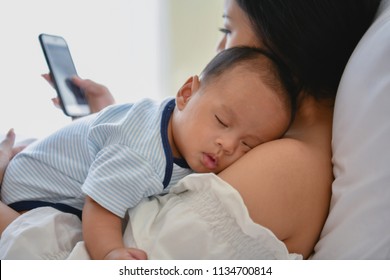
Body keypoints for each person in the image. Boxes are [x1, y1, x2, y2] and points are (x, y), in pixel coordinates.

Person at [0, 0, 380, 260]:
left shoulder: (286, 167)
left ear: (283, 33)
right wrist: (115, 127)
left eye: (228, 29)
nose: (220, 49)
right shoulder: (285, 146)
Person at [0, 46, 296, 260]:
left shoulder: (178, 126)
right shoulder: (142, 154)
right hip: (33, 194)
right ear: (186, 94)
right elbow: (101, 206)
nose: (229, 145)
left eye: (248, 145)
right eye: (222, 121)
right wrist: (111, 253)